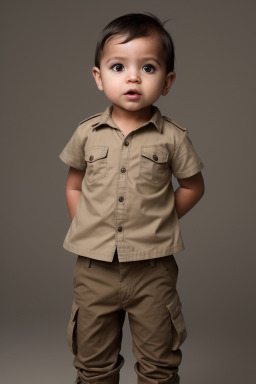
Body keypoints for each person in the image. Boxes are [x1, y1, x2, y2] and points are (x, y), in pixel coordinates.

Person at [59, 12, 205, 384]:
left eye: (149, 67)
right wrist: (86, 226)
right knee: (93, 366)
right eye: (119, 66)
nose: (133, 77)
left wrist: (160, 219)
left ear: (168, 81)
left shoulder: (173, 137)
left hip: (153, 271)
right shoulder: (87, 133)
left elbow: (192, 186)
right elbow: (74, 185)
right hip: (94, 270)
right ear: (99, 77)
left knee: (160, 364)